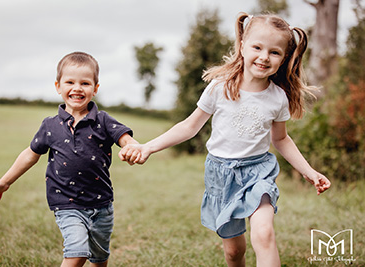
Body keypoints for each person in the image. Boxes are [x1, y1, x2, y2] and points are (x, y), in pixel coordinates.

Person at [119, 13, 331, 267]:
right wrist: (148, 147)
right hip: (221, 176)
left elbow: (282, 139)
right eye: (257, 47)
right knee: (233, 252)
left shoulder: (277, 98)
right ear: (242, 46)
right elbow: (189, 126)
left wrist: (308, 171)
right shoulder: (220, 87)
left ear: (284, 58)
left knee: (263, 234)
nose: (264, 57)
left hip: (257, 173)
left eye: (274, 52)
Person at [0, 51, 139, 267]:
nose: (77, 88)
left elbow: (124, 137)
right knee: (77, 252)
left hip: (101, 204)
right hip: (67, 203)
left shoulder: (102, 120)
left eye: (85, 83)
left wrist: (132, 147)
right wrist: (6, 180)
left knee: (99, 258)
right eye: (70, 82)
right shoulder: (50, 126)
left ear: (95, 88)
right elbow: (30, 154)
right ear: (58, 86)